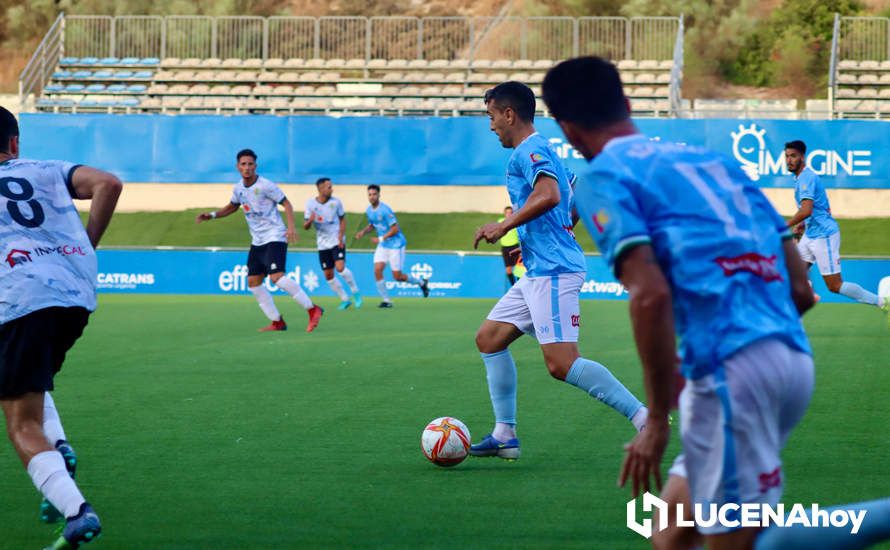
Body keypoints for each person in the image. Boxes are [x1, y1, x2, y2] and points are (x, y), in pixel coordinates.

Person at [542, 56, 890, 550]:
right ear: (627, 102)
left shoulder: (602, 179)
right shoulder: (714, 162)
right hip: (786, 361)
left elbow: (650, 293)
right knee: (672, 534)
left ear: (568, 129)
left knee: (743, 544)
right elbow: (798, 288)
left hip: (733, 376)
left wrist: (658, 419)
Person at [469, 81, 648, 461]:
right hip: (540, 269)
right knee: (488, 339)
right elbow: (574, 191)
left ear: (509, 114)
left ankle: (645, 419)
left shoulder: (528, 151)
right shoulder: (542, 149)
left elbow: (549, 194)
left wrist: (505, 225)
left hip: (553, 271)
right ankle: (505, 435)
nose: (491, 126)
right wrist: (560, 228)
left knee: (562, 363)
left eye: (491, 117)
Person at [0, 105, 120, 548]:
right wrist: (87, 243)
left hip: (19, 297)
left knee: (19, 421)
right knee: (27, 379)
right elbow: (108, 183)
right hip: (74, 295)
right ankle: (61, 447)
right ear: (14, 143)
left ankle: (77, 511)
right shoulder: (49, 168)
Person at [196, 149, 323, 333]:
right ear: (237, 166)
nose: (247, 168)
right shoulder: (238, 188)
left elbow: (286, 203)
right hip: (257, 241)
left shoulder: (266, 185)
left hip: (275, 235)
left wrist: (291, 227)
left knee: (276, 277)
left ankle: (313, 309)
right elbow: (233, 206)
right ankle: (277, 322)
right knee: (253, 282)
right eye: (243, 164)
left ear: (255, 166)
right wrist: (212, 215)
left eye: (250, 164)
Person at [785, 140, 889, 312]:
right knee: (794, 273)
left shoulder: (806, 178)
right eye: (787, 156)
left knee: (835, 285)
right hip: (811, 234)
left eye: (793, 156)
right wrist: (802, 224)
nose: (789, 160)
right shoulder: (800, 178)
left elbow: (806, 210)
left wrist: (783, 226)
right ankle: (801, 303)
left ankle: (883, 302)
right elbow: (812, 209)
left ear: (802, 157)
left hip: (824, 235)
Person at [354, 184, 429, 307]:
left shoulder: (385, 210)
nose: (372, 197)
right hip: (383, 245)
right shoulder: (369, 210)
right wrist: (363, 232)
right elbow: (373, 224)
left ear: (379, 195)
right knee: (377, 270)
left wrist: (380, 238)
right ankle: (386, 300)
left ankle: (421, 283)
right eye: (370, 194)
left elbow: (395, 229)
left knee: (397, 276)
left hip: (396, 245)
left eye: (374, 194)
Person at [303, 177, 362, 310]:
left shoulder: (336, 202)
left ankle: (355, 292)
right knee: (328, 275)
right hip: (323, 244)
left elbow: (342, 219)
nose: (331, 189)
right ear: (320, 189)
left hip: (336, 240)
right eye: (329, 187)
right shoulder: (311, 204)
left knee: (340, 268)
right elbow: (305, 226)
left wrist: (341, 236)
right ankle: (345, 299)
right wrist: (310, 221)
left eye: (331, 186)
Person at [498, 206, 521, 286]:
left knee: (519, 269)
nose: (509, 214)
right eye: (507, 212)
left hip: (515, 247)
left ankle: (521, 286)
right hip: (505, 248)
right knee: (508, 270)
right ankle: (514, 286)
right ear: (504, 214)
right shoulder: (500, 222)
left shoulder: (516, 222)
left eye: (510, 213)